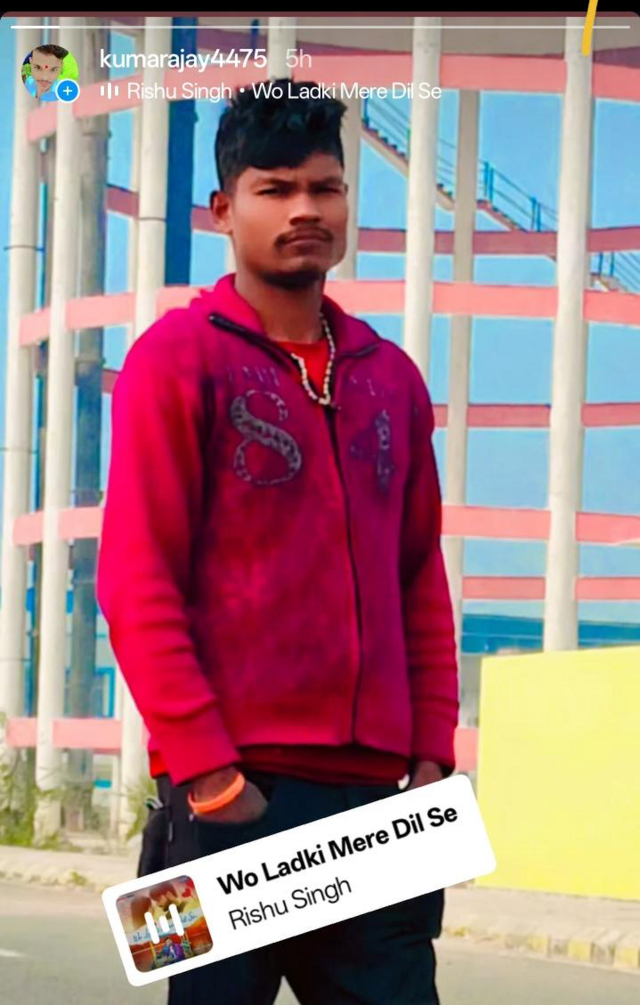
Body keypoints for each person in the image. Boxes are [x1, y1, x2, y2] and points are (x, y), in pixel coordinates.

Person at [96, 78, 459, 1005]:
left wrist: (431, 755)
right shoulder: (175, 359)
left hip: (378, 802)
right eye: (276, 187)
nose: (306, 208)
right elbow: (136, 579)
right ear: (225, 209)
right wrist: (209, 774)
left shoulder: (392, 380)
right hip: (227, 795)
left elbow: (418, 576)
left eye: (325, 187)